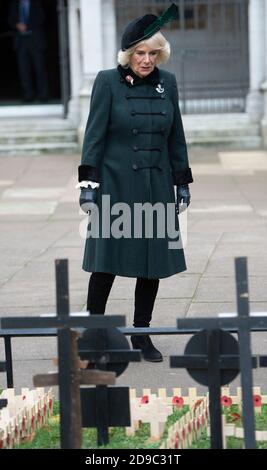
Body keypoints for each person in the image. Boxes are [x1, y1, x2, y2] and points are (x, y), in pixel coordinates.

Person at [77, 3, 193, 362]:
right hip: (115, 185)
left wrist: (182, 181)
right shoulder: (106, 81)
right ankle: (94, 335)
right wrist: (88, 185)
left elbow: (176, 136)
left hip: (155, 185)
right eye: (140, 53)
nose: (146, 60)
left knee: (151, 264)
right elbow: (93, 135)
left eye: (152, 53)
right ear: (128, 54)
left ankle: (141, 334)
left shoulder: (168, 84)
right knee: (106, 262)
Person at [8, 0, 48, 102]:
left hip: (35, 41)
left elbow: (41, 17)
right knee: (24, 70)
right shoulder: (15, 4)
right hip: (21, 42)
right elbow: (10, 19)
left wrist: (27, 25)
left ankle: (43, 95)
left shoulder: (36, 3)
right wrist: (17, 25)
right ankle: (28, 95)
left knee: (39, 69)